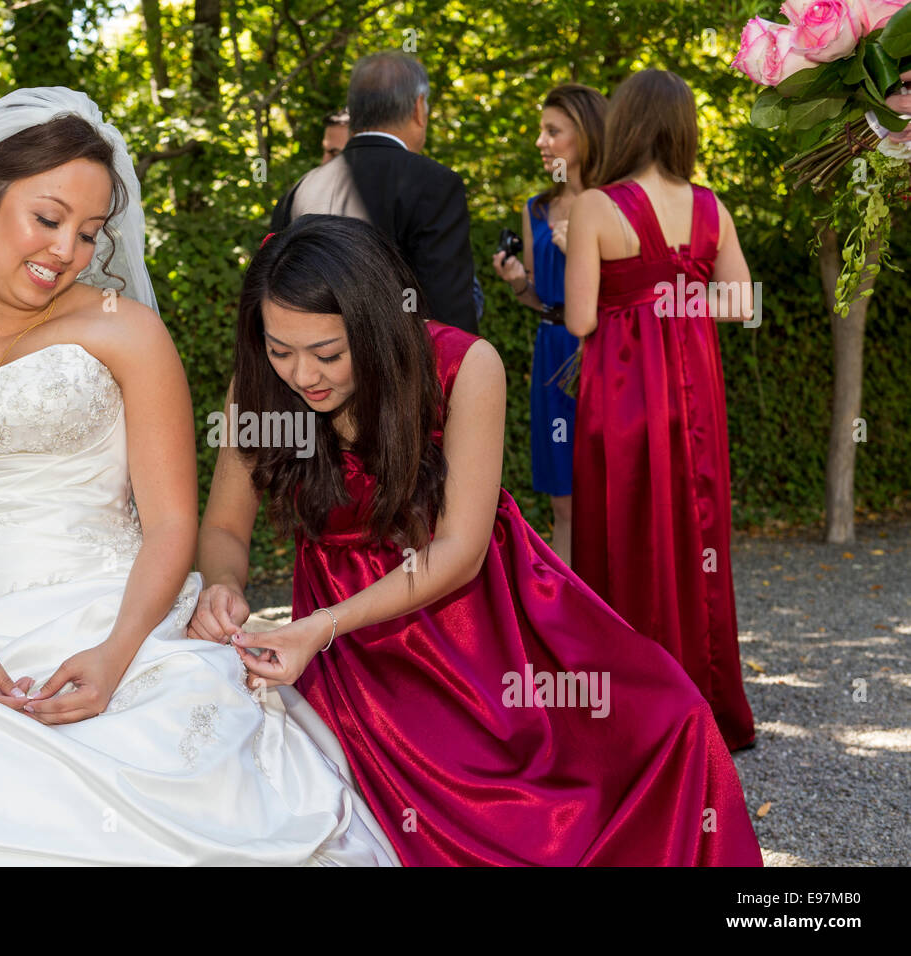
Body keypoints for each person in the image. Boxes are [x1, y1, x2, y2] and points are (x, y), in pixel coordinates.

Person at [0, 88, 397, 866]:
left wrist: (114, 657)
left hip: (124, 614)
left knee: (189, 777)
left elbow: (173, 526)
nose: (66, 249)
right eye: (49, 217)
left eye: (89, 232)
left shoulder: (127, 332)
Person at [191, 212, 763, 866]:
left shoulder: (465, 365)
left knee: (668, 724)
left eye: (327, 353)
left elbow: (459, 550)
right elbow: (225, 527)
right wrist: (224, 586)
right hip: (351, 646)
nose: (302, 374)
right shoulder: (262, 388)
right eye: (279, 349)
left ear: (377, 323)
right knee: (433, 819)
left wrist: (317, 626)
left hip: (481, 618)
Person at [564, 69, 756, 752]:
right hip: (693, 393)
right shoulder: (711, 206)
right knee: (694, 533)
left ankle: (634, 715)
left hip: (621, 396)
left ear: (624, 123)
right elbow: (741, 303)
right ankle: (706, 706)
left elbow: (581, 317)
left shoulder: (594, 207)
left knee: (624, 535)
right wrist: (678, 299)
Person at [269, 51, 481, 334]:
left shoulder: (298, 191)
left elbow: (272, 298)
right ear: (418, 108)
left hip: (309, 371)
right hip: (400, 372)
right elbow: (448, 315)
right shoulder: (435, 184)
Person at [492, 84, 607, 564]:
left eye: (552, 131)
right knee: (563, 496)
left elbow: (632, 292)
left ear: (585, 135)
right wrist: (519, 282)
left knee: (609, 489)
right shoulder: (535, 210)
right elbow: (541, 299)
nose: (540, 142)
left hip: (605, 349)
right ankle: (572, 614)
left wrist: (580, 252)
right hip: (553, 350)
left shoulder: (616, 202)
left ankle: (622, 609)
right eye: (541, 131)